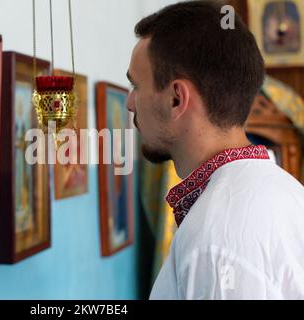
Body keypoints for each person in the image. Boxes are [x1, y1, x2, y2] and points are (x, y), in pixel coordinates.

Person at [126, 1, 304, 299]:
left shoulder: (217, 239)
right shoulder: (286, 190)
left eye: (136, 86)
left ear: (175, 99)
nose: (130, 102)